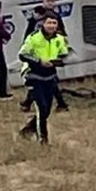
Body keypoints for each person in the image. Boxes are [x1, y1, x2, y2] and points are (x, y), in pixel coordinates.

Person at [19, 15, 69, 144]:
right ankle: (43, 139)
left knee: (46, 110)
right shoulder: (33, 37)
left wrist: (57, 62)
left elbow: (64, 55)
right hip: (33, 76)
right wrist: (39, 61)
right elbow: (23, 54)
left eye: (54, 23)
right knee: (41, 107)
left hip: (50, 77)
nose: (52, 26)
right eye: (49, 23)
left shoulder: (59, 39)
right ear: (43, 24)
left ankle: (29, 129)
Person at [20, 0, 69, 112]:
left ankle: (28, 103)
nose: (50, 3)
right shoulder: (37, 15)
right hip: (38, 49)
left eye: (52, 1)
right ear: (43, 2)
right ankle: (60, 104)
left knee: (47, 78)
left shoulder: (56, 17)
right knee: (41, 77)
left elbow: (61, 31)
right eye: (48, 1)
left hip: (51, 49)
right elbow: (29, 31)